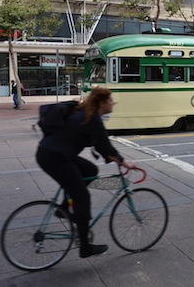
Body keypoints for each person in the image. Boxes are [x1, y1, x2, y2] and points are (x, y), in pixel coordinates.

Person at [36, 88, 136, 258]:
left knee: (90, 170)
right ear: (102, 103)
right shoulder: (93, 118)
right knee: (82, 196)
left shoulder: (85, 113)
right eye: (111, 101)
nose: (113, 104)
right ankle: (85, 246)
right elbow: (105, 147)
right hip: (54, 158)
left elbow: (100, 145)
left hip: (53, 153)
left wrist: (113, 157)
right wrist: (125, 163)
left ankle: (63, 209)